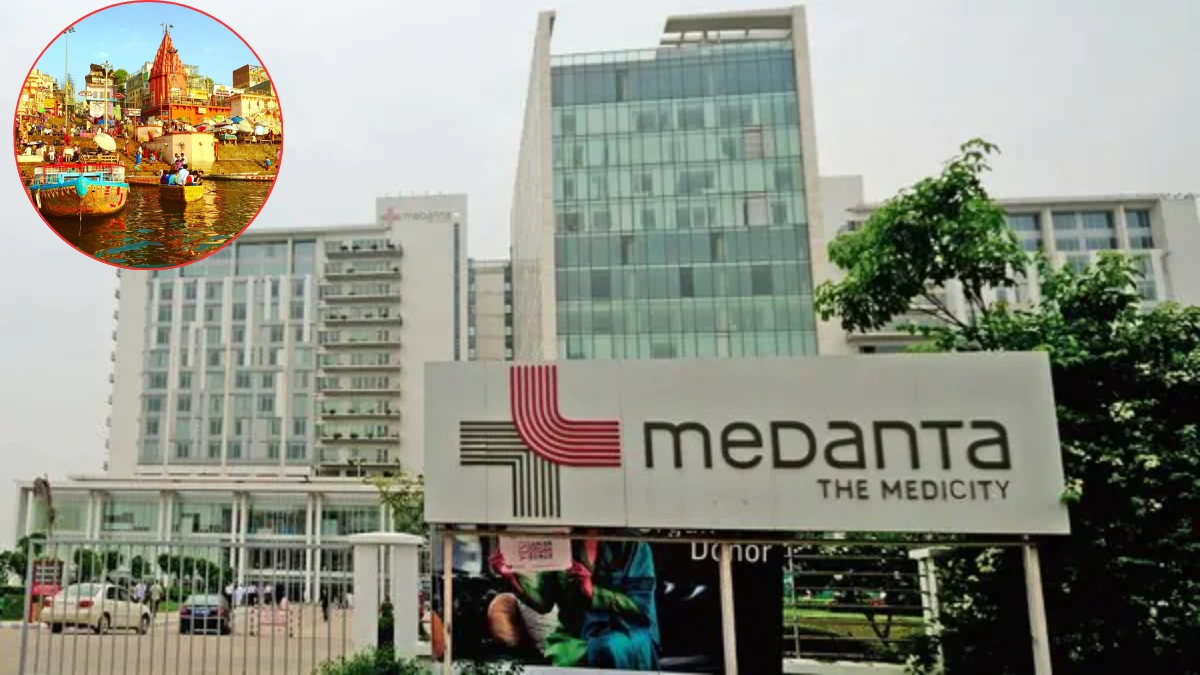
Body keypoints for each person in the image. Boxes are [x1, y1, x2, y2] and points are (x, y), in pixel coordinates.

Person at [486, 535, 660, 669]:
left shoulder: (633, 545)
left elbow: (641, 606)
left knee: (611, 647)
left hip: (626, 631)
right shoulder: (560, 543)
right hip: (575, 638)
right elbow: (543, 602)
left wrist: (592, 592)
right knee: (565, 655)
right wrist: (512, 575)